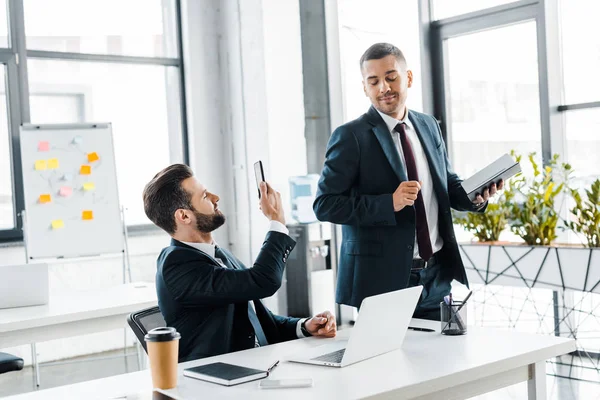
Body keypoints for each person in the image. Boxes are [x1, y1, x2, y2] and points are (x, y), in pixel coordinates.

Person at [313, 43, 503, 320]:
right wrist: (388, 203)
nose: (383, 88)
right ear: (364, 87)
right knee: (388, 363)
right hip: (381, 282)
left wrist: (475, 196)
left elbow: (445, 182)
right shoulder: (350, 136)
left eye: (391, 77)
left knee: (445, 361)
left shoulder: (428, 125)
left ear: (409, 78)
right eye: (374, 81)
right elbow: (325, 205)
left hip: (436, 276)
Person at [143, 164, 336, 362]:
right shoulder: (177, 266)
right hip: (217, 379)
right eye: (204, 196)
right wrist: (277, 222)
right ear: (184, 216)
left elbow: (259, 319)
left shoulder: (219, 255)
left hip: (254, 367)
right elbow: (264, 280)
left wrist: (305, 326)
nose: (215, 197)